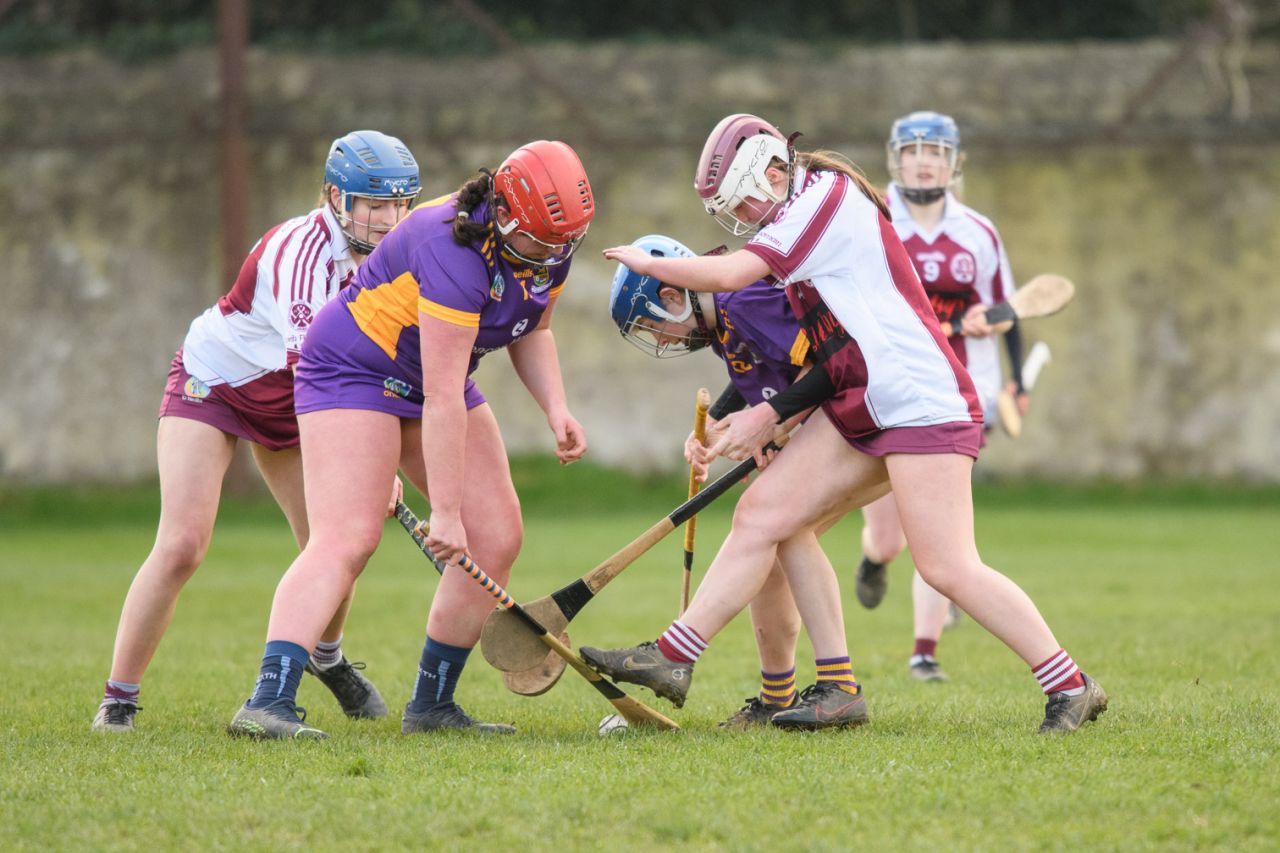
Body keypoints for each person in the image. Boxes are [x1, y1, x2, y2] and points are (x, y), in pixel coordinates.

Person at [588, 113, 1107, 734]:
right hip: (865, 397)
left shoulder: (821, 200)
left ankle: (1071, 686)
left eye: (743, 199)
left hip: (919, 400)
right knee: (766, 514)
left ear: (775, 171)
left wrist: (648, 265)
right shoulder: (796, 211)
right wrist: (749, 417)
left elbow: (727, 276)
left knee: (946, 566)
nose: (744, 216)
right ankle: (677, 657)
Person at [227, 140, 594, 740]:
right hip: (354, 369)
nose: (552, 256)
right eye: (541, 243)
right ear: (503, 214)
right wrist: (444, 514)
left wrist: (556, 408)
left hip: (428, 375)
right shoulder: (451, 246)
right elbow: (443, 394)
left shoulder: (550, 241)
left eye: (565, 245)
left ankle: (431, 709)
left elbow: (534, 327)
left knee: (497, 535)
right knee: (348, 537)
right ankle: (267, 702)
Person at [92, 131, 420, 733]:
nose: (387, 219)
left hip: (302, 401)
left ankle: (327, 658)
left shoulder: (396, 256)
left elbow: (386, 364)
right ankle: (119, 697)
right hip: (216, 385)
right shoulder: (300, 252)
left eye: (399, 204)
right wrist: (369, 464)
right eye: (373, 203)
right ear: (335, 197)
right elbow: (315, 375)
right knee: (183, 544)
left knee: (336, 544)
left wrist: (381, 463)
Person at [609, 233, 818, 728]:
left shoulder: (743, 302)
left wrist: (778, 424)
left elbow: (822, 367)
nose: (660, 340)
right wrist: (713, 426)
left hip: (848, 428)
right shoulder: (722, 319)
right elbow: (757, 368)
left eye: (652, 328)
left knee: (763, 528)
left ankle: (677, 653)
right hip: (814, 428)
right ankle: (780, 698)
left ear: (672, 295)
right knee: (771, 555)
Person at [853, 110, 1031, 684]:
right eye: (913, 150)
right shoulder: (874, 221)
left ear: (955, 164)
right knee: (888, 537)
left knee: (943, 540)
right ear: (894, 158)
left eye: (935, 151)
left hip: (955, 396)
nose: (924, 160)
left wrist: (1016, 380)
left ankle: (923, 651)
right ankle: (875, 559)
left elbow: (1009, 310)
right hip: (883, 390)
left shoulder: (978, 232)